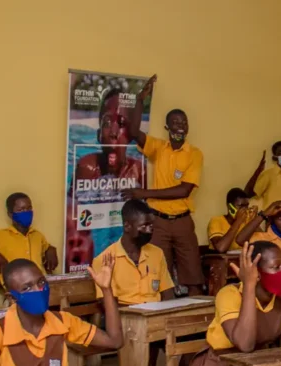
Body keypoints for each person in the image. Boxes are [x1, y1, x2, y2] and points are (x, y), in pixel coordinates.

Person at [92, 199, 173, 366]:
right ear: (127, 226)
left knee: (188, 351)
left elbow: (167, 291)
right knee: (140, 355)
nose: (150, 230)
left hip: (156, 318)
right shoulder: (105, 259)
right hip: (125, 321)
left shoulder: (156, 253)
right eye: (144, 226)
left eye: (152, 226)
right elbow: (107, 305)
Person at [122, 75, 204, 296]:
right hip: (157, 222)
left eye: (184, 122)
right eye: (176, 122)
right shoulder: (159, 148)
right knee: (161, 277)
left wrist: (143, 193)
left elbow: (184, 190)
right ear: (167, 126)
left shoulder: (194, 154)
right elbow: (133, 133)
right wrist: (141, 100)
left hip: (183, 221)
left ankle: (195, 328)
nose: (181, 126)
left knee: (193, 276)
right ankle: (167, 326)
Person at [0, 193, 58, 284]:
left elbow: (46, 248)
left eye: (29, 208)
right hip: (18, 290)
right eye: (21, 209)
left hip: (42, 286)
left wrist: (50, 249)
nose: (26, 212)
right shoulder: (0, 236)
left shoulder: (38, 235)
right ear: (10, 214)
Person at [75, 88, 143, 183]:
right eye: (107, 124)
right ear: (99, 135)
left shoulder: (139, 172)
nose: (113, 133)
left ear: (131, 135)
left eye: (121, 123)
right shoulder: (87, 168)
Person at [236, 201, 281, 277]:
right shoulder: (262, 239)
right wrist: (263, 215)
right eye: (280, 217)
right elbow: (239, 240)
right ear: (271, 220)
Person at [207, 188, 251, 253]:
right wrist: (238, 221)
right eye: (240, 206)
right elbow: (221, 248)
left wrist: (254, 220)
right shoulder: (216, 221)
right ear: (229, 206)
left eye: (246, 206)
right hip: (222, 261)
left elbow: (261, 242)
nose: (245, 209)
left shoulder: (247, 220)